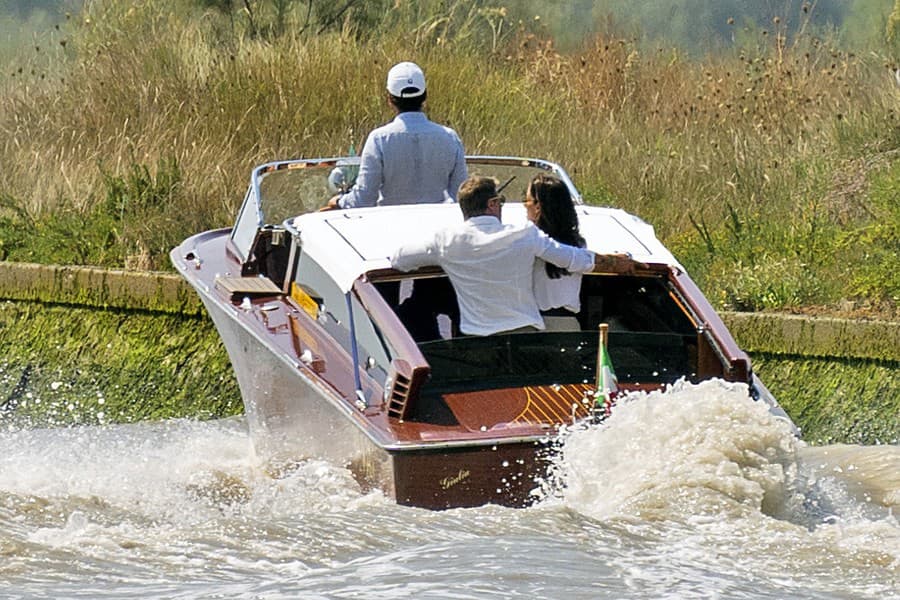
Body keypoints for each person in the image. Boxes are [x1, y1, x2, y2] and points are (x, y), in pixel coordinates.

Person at [391, 176, 602, 337]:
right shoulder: (524, 234)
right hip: (525, 333)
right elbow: (574, 259)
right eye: (500, 201)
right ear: (492, 204)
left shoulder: (446, 240)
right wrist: (613, 261)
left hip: (477, 338)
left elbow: (399, 259)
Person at [324, 61, 467, 210]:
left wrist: (339, 201)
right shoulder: (450, 137)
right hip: (438, 227)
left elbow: (364, 198)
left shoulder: (379, 139)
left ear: (390, 100)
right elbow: (460, 195)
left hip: (390, 227)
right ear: (424, 97)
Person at [526, 174, 586, 331]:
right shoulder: (578, 244)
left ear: (538, 206)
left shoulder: (530, 241)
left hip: (531, 324)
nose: (525, 207)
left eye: (527, 201)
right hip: (566, 326)